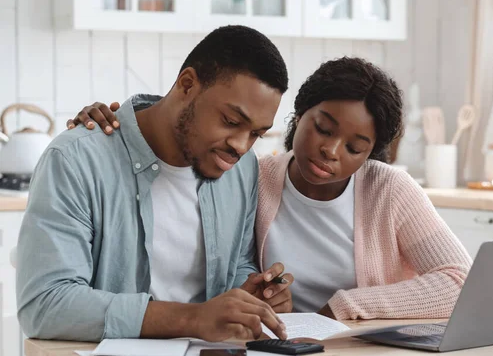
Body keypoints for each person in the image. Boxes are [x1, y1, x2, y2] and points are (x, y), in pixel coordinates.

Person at [70, 57, 472, 322]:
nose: (330, 151)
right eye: (323, 128)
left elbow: (459, 281)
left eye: (354, 147)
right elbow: (188, 125)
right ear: (300, 114)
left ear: (371, 153)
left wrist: (345, 307)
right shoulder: (250, 176)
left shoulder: (389, 190)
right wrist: (120, 120)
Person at [17, 25, 293, 356]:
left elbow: (236, 263)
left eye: (256, 133)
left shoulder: (240, 169)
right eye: (231, 121)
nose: (242, 146)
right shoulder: (76, 159)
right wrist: (193, 319)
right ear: (187, 84)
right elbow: (45, 305)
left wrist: (252, 296)